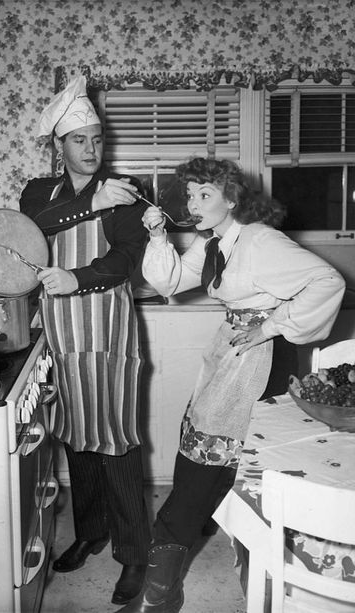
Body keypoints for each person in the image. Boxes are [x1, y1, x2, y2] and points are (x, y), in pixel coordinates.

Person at [116, 157, 346, 613]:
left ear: (233, 198)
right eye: (190, 195)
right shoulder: (216, 241)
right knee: (211, 452)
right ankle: (194, 563)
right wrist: (159, 236)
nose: (193, 203)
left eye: (205, 194)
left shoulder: (261, 241)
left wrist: (270, 327)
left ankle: (164, 591)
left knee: (224, 460)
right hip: (233, 354)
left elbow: (327, 280)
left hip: (261, 360)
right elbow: (171, 281)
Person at [19, 75, 151, 606]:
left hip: (107, 334)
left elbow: (125, 258)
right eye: (80, 141)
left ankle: (134, 553)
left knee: (114, 437)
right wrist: (88, 202)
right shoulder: (38, 192)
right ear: (60, 146)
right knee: (76, 435)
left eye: (98, 139)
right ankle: (91, 532)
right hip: (60, 335)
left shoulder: (126, 189)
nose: (92, 150)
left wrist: (77, 276)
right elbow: (28, 230)